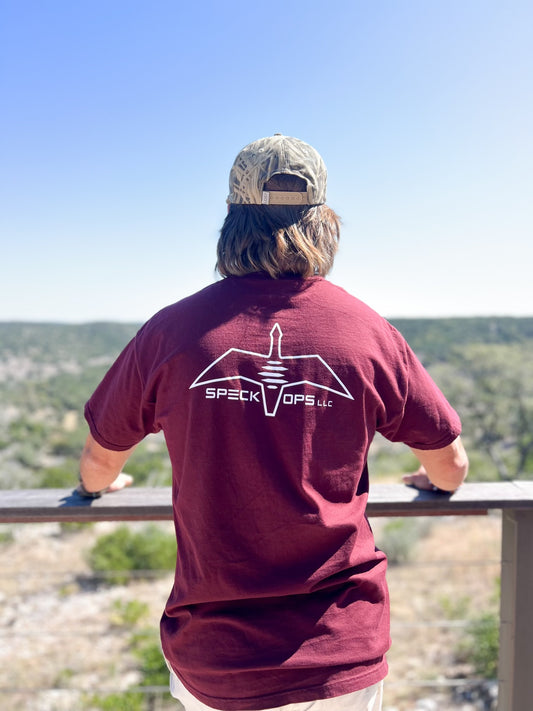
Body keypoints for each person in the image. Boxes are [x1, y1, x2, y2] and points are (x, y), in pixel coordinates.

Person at [78, 134, 468, 711]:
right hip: (340, 650)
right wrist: (435, 483)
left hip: (216, 656)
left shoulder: (172, 332)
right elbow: (451, 464)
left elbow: (98, 461)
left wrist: (101, 486)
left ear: (233, 223)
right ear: (323, 223)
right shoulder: (366, 332)